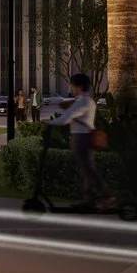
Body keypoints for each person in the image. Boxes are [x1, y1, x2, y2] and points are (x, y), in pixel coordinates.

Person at [49, 73, 107, 203]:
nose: (71, 89)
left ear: (78, 87)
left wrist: (50, 122)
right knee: (87, 168)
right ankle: (89, 199)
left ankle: (105, 194)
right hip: (84, 136)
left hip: (81, 138)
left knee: (87, 168)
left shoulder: (82, 102)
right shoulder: (87, 100)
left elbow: (66, 118)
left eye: (72, 86)